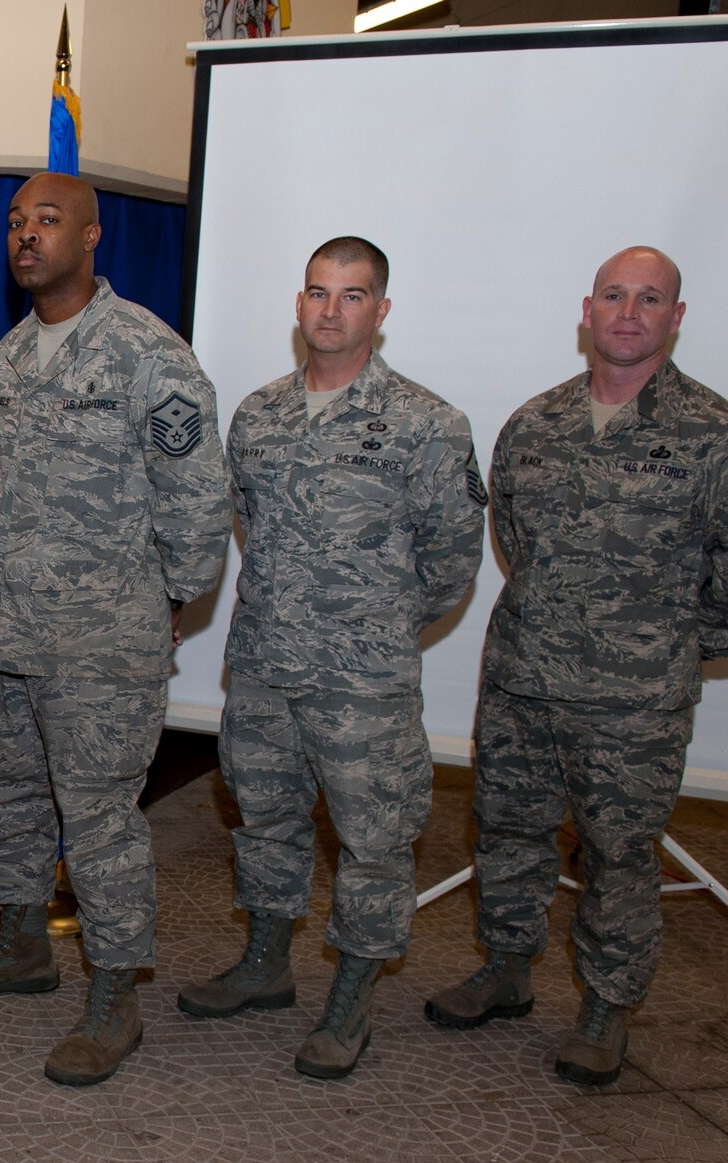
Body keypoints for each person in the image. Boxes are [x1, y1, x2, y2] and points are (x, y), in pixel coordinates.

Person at [426, 246, 728, 1086]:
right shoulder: (534, 424)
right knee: (507, 829)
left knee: (619, 852)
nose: (629, 311)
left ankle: (607, 1005)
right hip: (522, 678)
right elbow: (513, 537)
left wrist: (668, 649)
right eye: (614, 295)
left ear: (676, 318)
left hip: (635, 703)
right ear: (587, 310)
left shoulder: (721, 437)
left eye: (649, 298)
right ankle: (507, 969)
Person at [0, 172, 231, 1087]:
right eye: (17, 222)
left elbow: (199, 507)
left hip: (103, 639)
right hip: (10, 625)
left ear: (94, 235)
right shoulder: (13, 352)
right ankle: (23, 941)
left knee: (99, 820)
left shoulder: (150, 354)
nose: (27, 235)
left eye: (48, 220)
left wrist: (154, 604)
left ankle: (115, 993)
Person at [178, 236, 483, 1079]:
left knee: (374, 839)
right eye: (317, 292)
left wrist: (373, 623)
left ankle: (351, 999)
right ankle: (266, 964)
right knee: (265, 818)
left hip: (365, 681)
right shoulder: (259, 414)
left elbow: (454, 559)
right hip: (266, 664)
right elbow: (249, 521)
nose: (329, 310)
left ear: (381, 312)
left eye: (351, 296)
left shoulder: (428, 423)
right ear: (298, 302)